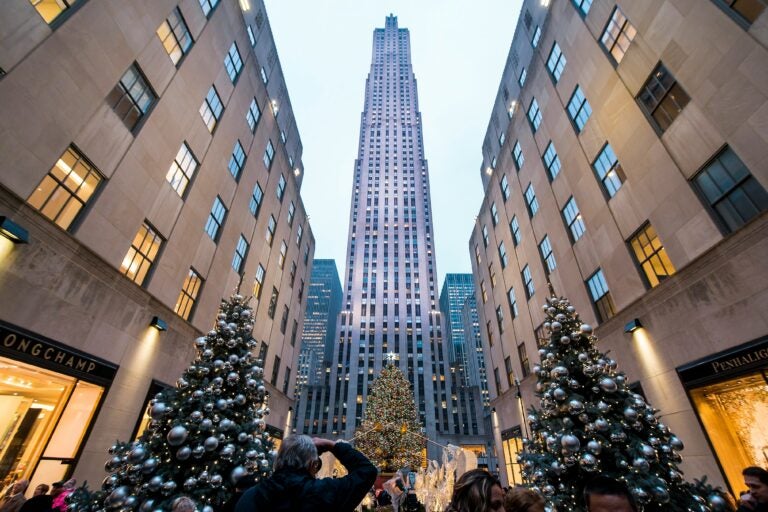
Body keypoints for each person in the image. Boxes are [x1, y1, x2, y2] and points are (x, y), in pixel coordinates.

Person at [235, 435, 377, 511]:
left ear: (278, 460)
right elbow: (367, 470)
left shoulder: (251, 496)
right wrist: (331, 444)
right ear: (311, 464)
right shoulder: (325, 492)